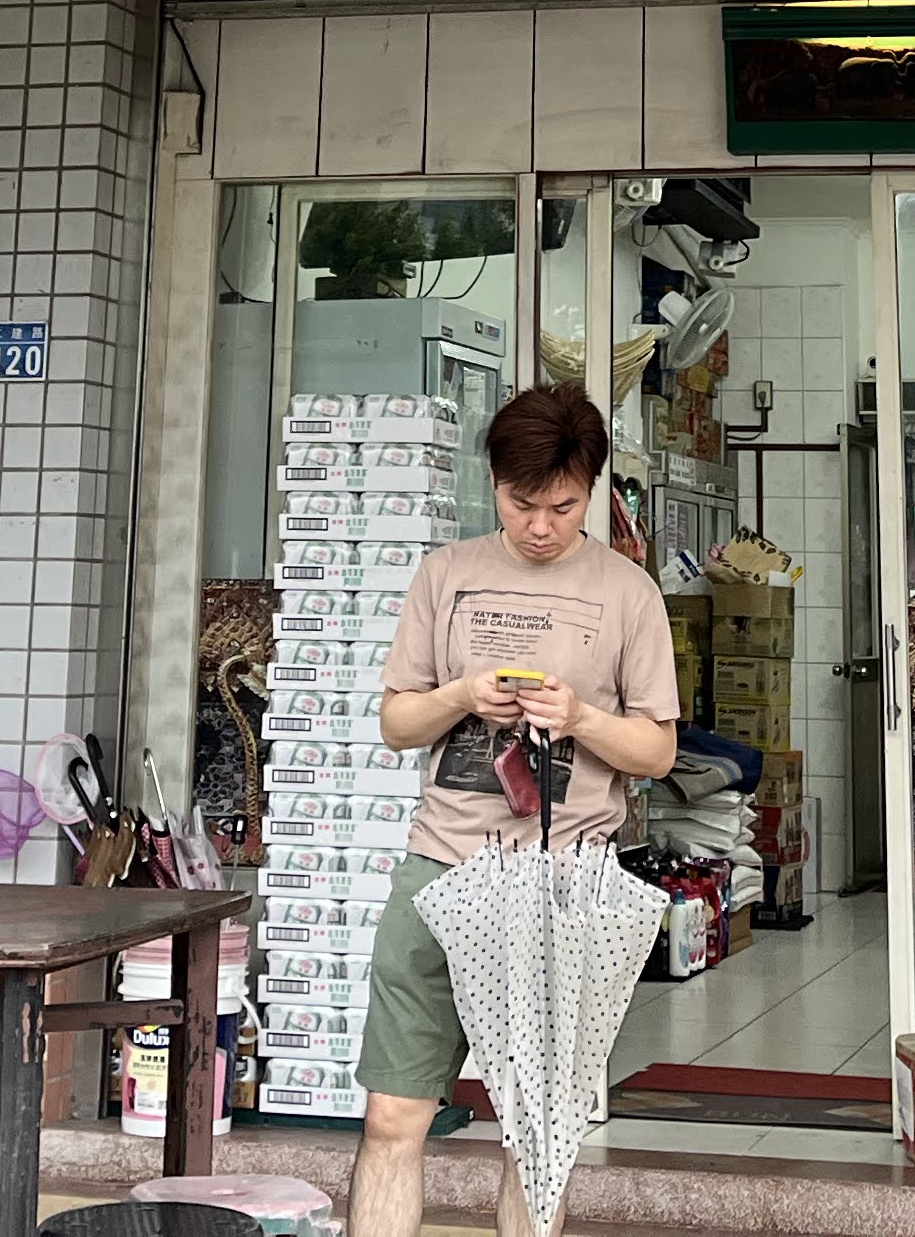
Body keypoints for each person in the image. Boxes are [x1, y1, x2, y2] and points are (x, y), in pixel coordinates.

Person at [352, 385, 678, 1237]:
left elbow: (656, 752)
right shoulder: (445, 576)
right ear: (493, 485)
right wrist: (461, 695)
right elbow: (396, 724)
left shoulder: (629, 593)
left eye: (562, 507)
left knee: (536, 1137)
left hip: (562, 887)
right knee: (392, 1115)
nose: (540, 526)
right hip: (440, 866)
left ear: (593, 490)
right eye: (520, 503)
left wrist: (579, 719)